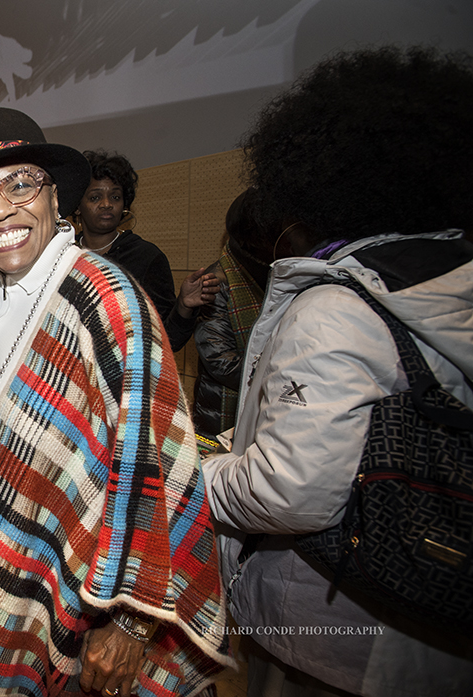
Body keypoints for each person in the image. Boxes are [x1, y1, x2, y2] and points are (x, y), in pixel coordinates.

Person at [0, 107, 231, 696]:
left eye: (20, 184)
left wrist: (130, 621)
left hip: (99, 607)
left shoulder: (103, 298)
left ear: (55, 197)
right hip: (10, 581)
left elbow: (156, 467)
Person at [202, 46, 473, 696]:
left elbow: (292, 491)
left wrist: (196, 470)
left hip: (334, 635)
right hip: (436, 614)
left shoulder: (334, 307)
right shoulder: (450, 278)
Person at [75, 150, 218, 351]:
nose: (106, 204)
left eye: (115, 197)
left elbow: (169, 341)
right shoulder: (61, 255)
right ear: (78, 206)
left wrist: (184, 306)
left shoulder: (146, 257)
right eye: (95, 197)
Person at [191, 188, 275, 448]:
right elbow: (219, 361)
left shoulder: (273, 277)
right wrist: (278, 374)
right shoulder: (217, 281)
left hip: (261, 411)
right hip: (219, 415)